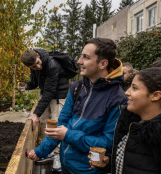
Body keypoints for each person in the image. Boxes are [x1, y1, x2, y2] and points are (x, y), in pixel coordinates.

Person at [27, 37, 127, 174]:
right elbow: (61, 125)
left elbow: (107, 143)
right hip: (66, 165)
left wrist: (68, 135)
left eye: (86, 57)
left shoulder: (117, 99)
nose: (79, 61)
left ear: (103, 63)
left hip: (87, 170)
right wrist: (40, 151)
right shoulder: (77, 87)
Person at [89, 67, 161, 174]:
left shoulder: (158, 136)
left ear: (155, 95)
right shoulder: (129, 124)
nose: (126, 92)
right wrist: (110, 163)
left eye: (134, 88)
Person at [20, 48, 70, 172]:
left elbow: (50, 92)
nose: (38, 66)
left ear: (38, 55)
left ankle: (58, 156)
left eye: (38, 62)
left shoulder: (52, 64)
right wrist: (26, 86)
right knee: (44, 122)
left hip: (59, 96)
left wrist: (35, 113)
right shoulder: (34, 67)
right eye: (34, 66)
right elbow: (35, 83)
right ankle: (48, 151)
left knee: (57, 123)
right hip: (48, 95)